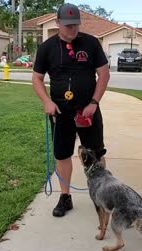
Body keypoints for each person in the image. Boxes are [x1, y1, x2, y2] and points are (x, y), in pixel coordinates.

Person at [32, 3, 110, 217]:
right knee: (62, 153)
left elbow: (103, 75)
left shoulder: (91, 44)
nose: (72, 29)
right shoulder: (46, 48)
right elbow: (37, 79)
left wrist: (94, 103)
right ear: (57, 23)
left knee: (96, 152)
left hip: (88, 111)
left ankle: (102, 194)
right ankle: (65, 197)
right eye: (67, 25)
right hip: (60, 112)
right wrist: (46, 102)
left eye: (75, 24)